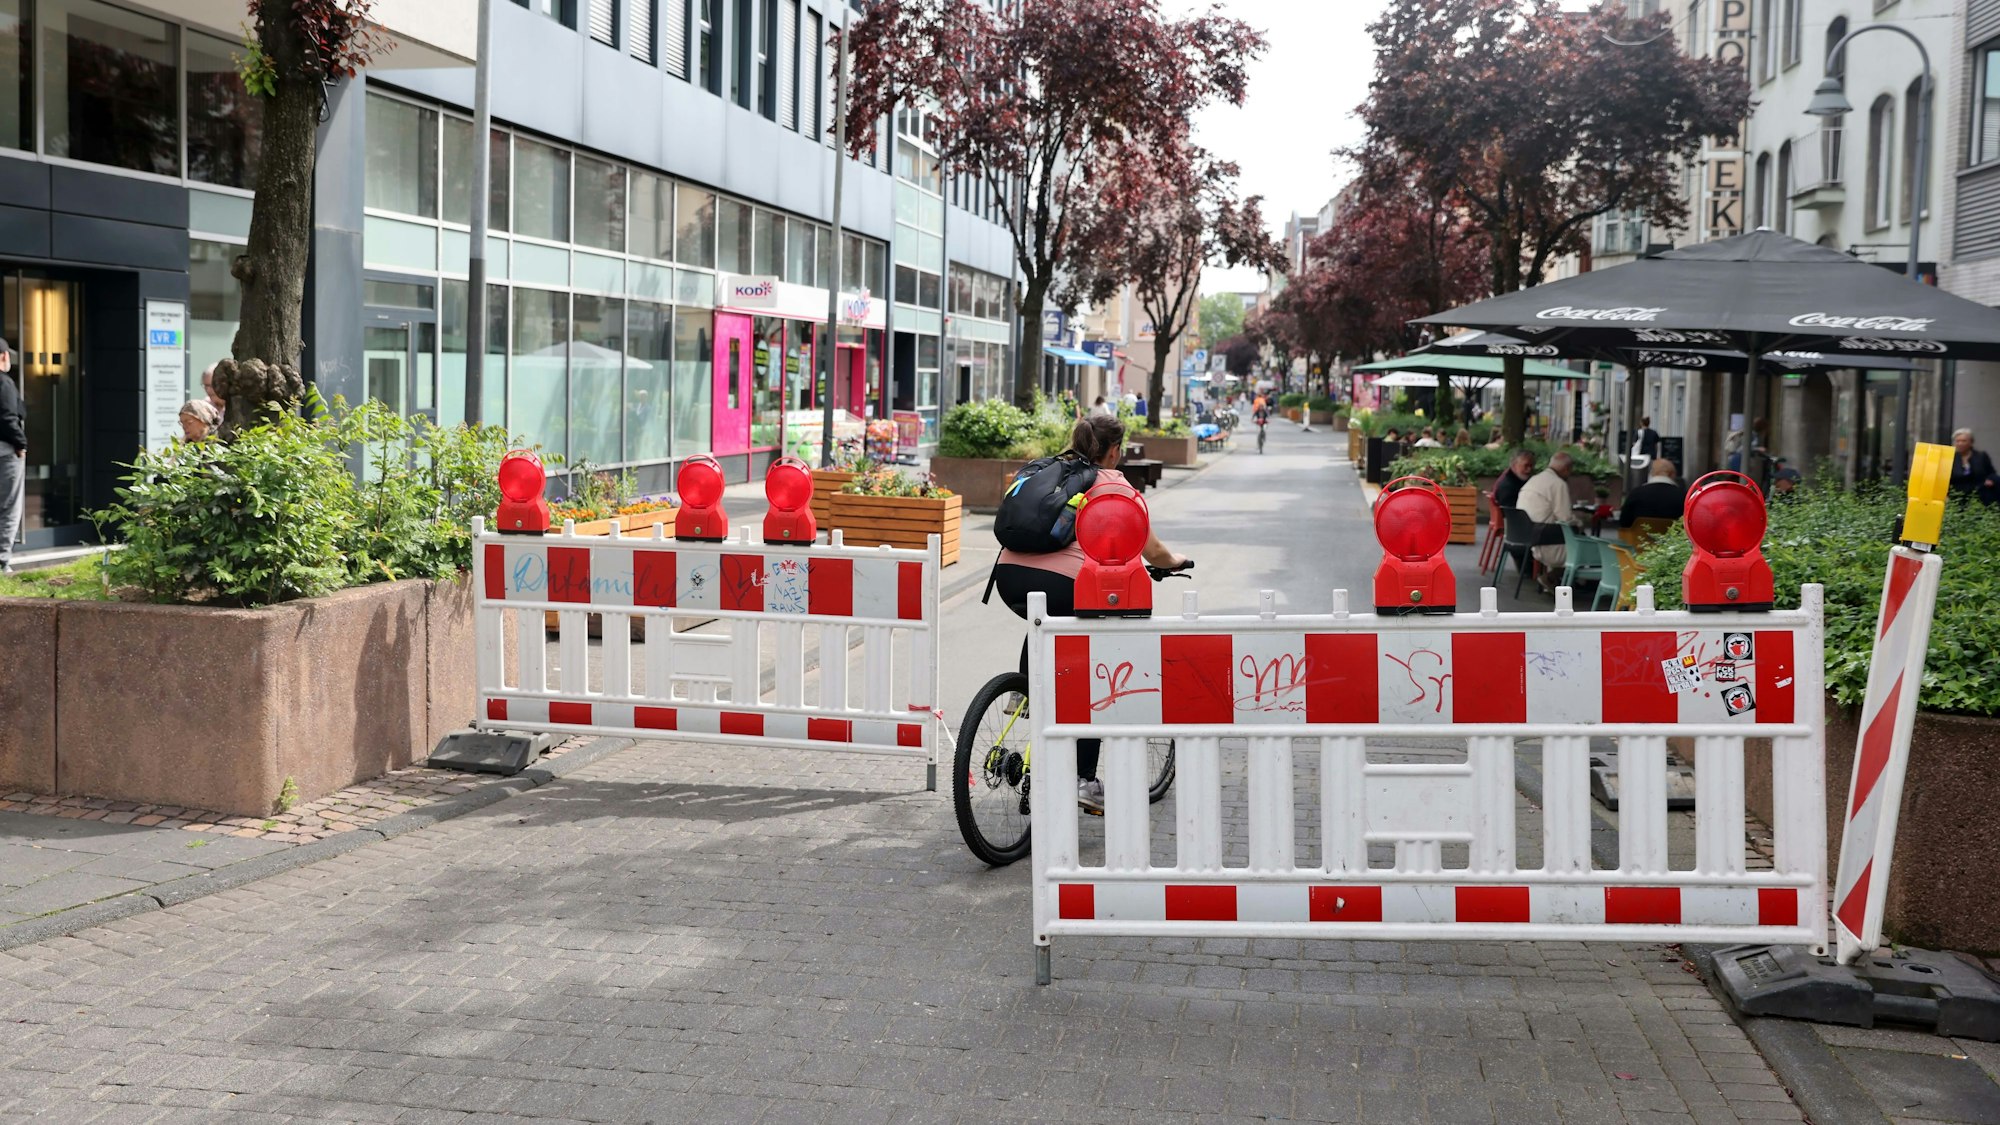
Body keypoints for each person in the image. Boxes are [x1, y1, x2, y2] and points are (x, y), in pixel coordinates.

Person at [992, 414, 1189, 813]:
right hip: (1066, 586)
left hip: (1008, 578)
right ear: (1114, 450)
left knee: (1044, 622)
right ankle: (1083, 779)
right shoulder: (1112, 483)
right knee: (1095, 678)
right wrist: (1174, 561)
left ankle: (1025, 691)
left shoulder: (1050, 470)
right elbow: (1152, 550)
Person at [1517, 451, 1583, 588]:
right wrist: (1580, 522)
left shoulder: (1534, 480)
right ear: (1566, 469)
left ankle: (1555, 578)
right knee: (1585, 542)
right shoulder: (1558, 484)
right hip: (1549, 541)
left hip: (1530, 536)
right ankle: (1555, 577)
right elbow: (1565, 518)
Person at [0, 340, 20, 574]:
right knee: (8, 506)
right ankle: (2, 561)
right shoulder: (4, 383)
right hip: (6, 450)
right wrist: (21, 443)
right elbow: (7, 418)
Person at [1620, 458, 1686, 525]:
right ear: (1672, 474)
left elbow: (1624, 522)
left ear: (1652, 473)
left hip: (1639, 535)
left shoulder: (1635, 493)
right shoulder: (1682, 496)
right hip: (1672, 535)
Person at [1950, 428, 1998, 506]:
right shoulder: (1951, 457)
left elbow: (1991, 473)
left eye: (1963, 441)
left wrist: (1990, 480)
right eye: (1957, 441)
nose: (1960, 443)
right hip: (1957, 498)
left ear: (1971, 442)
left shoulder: (1981, 456)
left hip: (1979, 497)